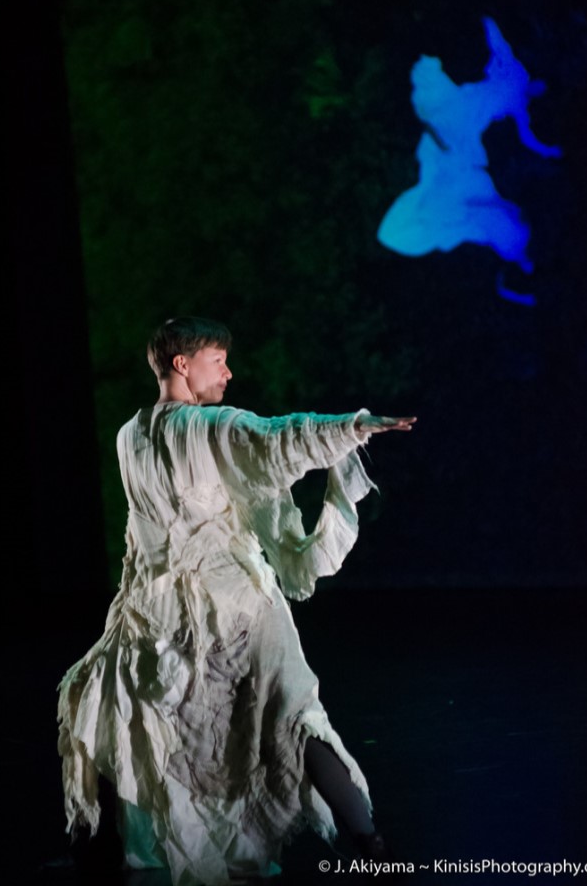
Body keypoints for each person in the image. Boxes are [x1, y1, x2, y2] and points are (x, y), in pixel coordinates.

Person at [58, 316, 416, 885]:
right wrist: (353, 426)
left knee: (137, 721)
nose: (228, 371)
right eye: (217, 360)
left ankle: (93, 855)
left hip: (163, 616)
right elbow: (278, 438)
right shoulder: (205, 425)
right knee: (294, 716)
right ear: (182, 364)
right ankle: (373, 848)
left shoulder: (130, 433)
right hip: (237, 607)